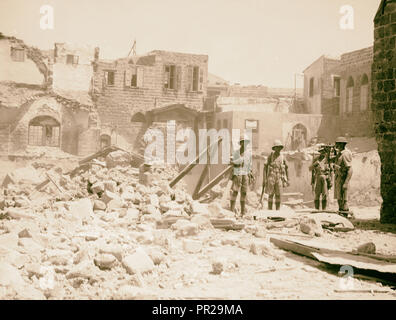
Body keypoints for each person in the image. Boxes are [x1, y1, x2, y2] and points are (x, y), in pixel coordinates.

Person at [262, 140, 289, 210]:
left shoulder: (283, 157)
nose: (278, 149)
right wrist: (264, 179)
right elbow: (265, 167)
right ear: (274, 148)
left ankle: (277, 211)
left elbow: (286, 168)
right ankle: (270, 211)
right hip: (271, 177)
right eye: (277, 147)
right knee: (270, 195)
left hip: (279, 177)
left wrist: (288, 179)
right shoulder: (270, 156)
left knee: (278, 195)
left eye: (280, 147)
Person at [230, 135, 253, 218]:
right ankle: (231, 211)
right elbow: (231, 162)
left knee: (244, 193)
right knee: (235, 192)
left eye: (246, 142)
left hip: (245, 174)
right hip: (238, 173)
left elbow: (250, 165)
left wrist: (250, 174)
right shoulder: (236, 152)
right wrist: (238, 161)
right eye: (243, 142)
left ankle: (242, 212)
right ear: (241, 143)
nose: (244, 144)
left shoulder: (249, 153)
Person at [309, 146, 332, 210]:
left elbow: (331, 171)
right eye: (321, 152)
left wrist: (331, 180)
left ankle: (324, 209)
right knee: (317, 194)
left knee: (325, 194)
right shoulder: (316, 159)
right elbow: (310, 169)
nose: (323, 153)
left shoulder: (328, 160)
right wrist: (315, 164)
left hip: (325, 178)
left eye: (324, 152)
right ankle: (317, 209)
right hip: (318, 177)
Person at [333, 137, 353, 213]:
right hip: (338, 177)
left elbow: (350, 169)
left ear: (342, 144)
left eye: (337, 144)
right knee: (339, 197)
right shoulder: (340, 153)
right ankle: (341, 212)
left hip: (343, 178)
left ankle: (345, 212)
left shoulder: (345, 154)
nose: (336, 145)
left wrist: (346, 182)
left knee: (344, 198)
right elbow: (329, 161)